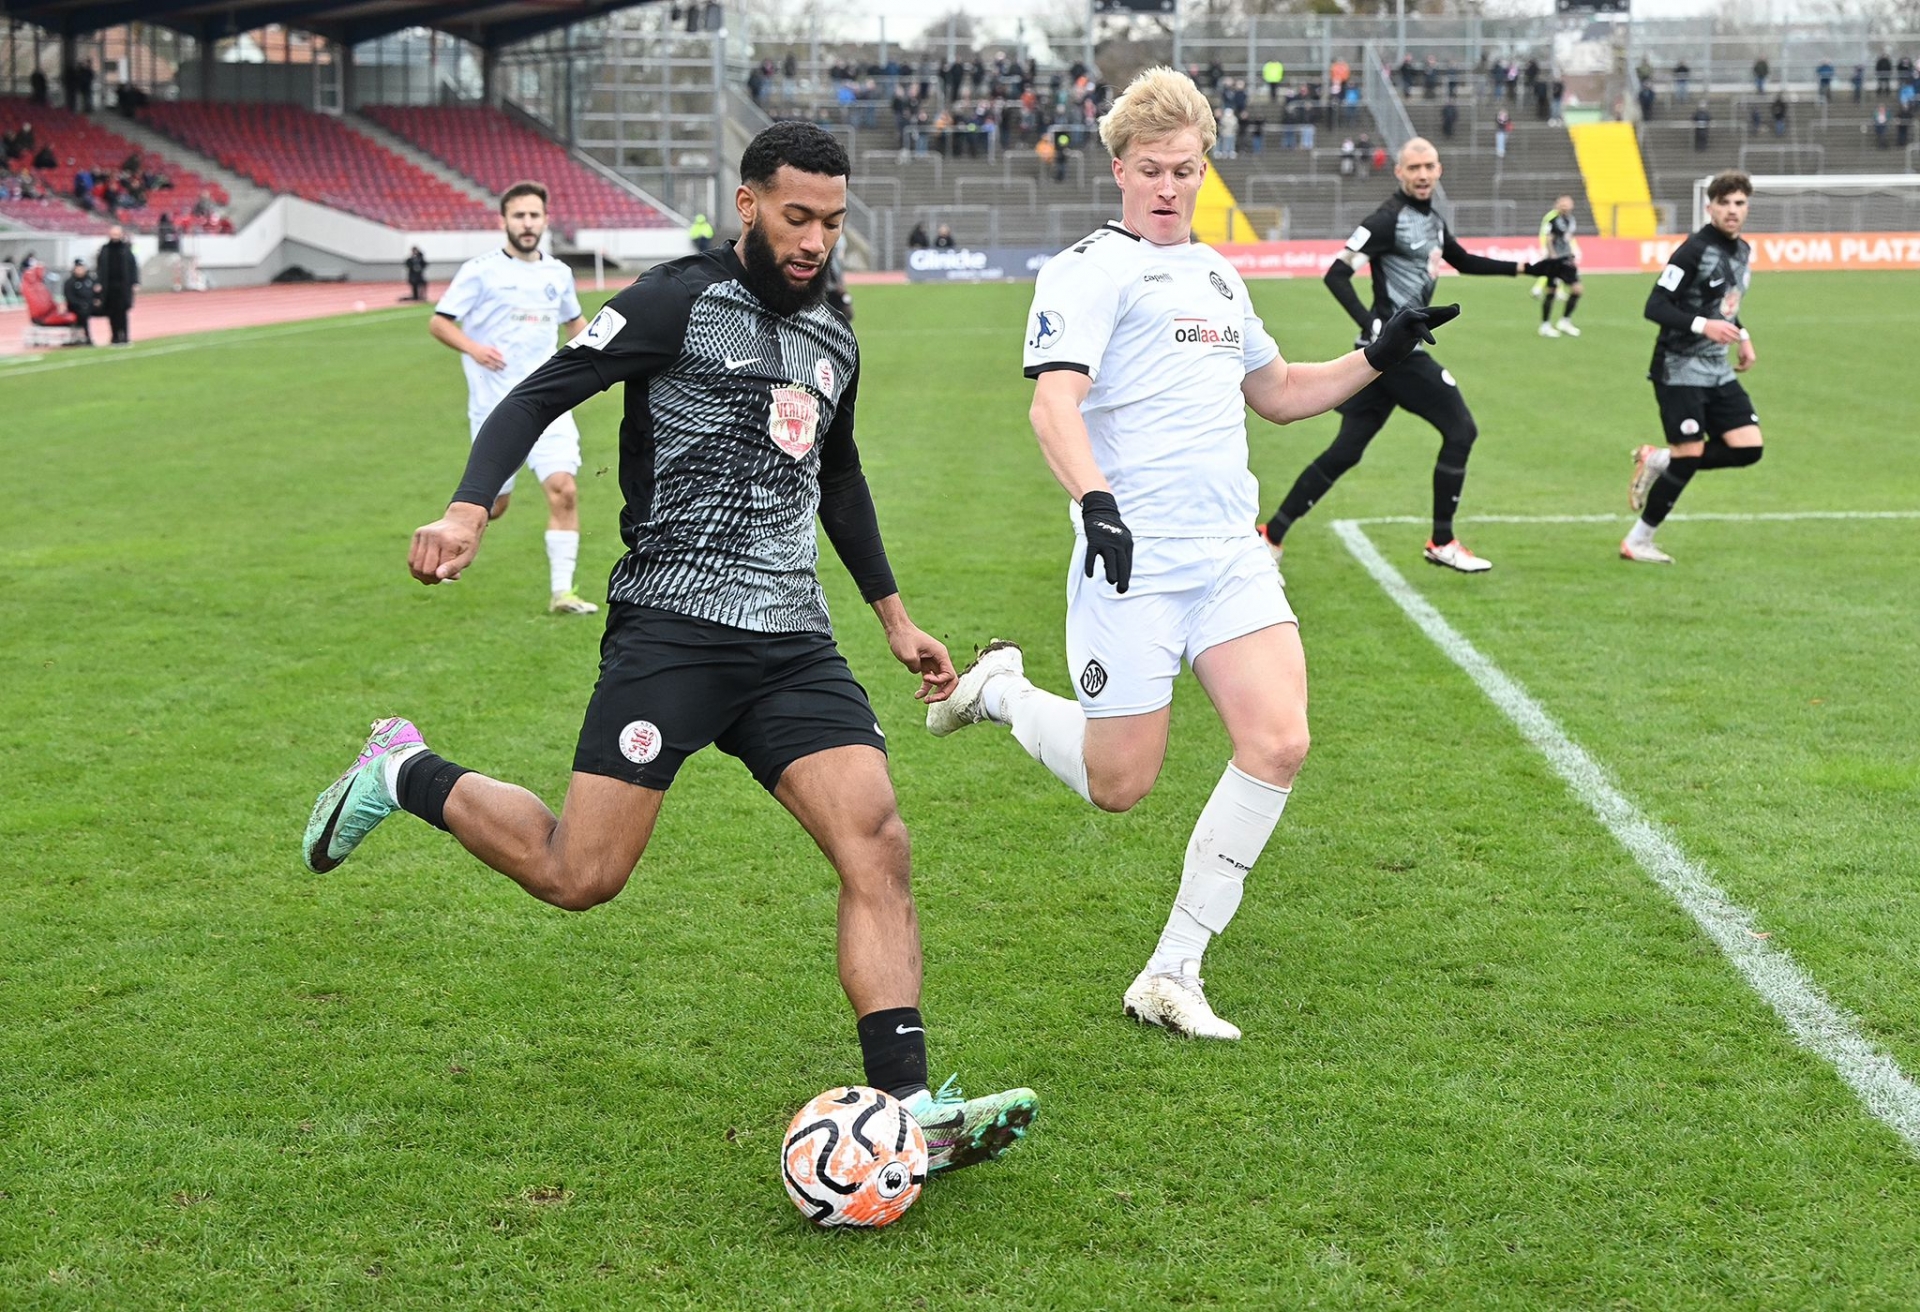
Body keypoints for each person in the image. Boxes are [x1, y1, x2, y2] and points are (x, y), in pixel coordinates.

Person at [302, 122, 1038, 1170]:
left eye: (832, 221)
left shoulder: (837, 330)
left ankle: (906, 1102)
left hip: (793, 641)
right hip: (674, 628)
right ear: (747, 205)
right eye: (796, 217)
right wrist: (469, 509)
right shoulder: (672, 301)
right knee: (580, 873)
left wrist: (893, 616)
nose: (815, 240)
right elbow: (542, 388)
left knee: (876, 840)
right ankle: (403, 770)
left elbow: (839, 474)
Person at [929, 68, 1457, 1041]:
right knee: (1117, 783)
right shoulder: (1090, 270)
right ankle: (1001, 689)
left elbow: (1285, 391)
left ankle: (1172, 972)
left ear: (1205, 169)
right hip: (1131, 559)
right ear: (1120, 171)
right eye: (1151, 170)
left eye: (1186, 169)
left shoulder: (1219, 272)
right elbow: (1054, 403)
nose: (1170, 186)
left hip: (1227, 556)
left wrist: (1383, 351)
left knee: (1280, 741)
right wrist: (1095, 502)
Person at [1261, 138, 1571, 573]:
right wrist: (1374, 326)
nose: (1423, 174)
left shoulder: (1432, 220)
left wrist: (1530, 269)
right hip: (1396, 354)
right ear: (1400, 173)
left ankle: (1270, 536)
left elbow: (1463, 261)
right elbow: (1336, 274)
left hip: (1388, 356)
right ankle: (1441, 541)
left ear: (1439, 169)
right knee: (1461, 430)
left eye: (1429, 166)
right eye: (1414, 167)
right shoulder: (1387, 219)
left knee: (1346, 451)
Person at [429, 182, 596, 615]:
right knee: (493, 505)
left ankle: (563, 593)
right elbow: (440, 322)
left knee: (564, 491)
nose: (527, 224)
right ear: (503, 220)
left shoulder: (557, 273)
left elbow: (575, 323)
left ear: (545, 220)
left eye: (534, 216)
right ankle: (450, 541)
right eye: (519, 216)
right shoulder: (480, 270)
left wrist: (606, 359)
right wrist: (474, 348)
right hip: (497, 410)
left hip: (550, 405)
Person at [1622, 172, 1760, 565]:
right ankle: (1638, 541)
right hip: (1679, 366)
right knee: (1690, 455)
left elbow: (1725, 304)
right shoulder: (1693, 250)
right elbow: (1656, 306)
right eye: (1725, 203)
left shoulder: (1743, 250)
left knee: (1749, 447)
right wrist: (1704, 326)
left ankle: (1658, 459)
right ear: (1710, 206)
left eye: (1739, 203)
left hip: (1717, 367)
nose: (1733, 211)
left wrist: (1742, 335)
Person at [1534, 195, 1584, 338]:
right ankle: (1545, 325)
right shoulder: (1553, 220)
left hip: (1567, 260)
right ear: (1557, 205)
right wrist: (1552, 256)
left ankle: (1565, 321)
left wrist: (1572, 253)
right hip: (1555, 260)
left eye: (1567, 204)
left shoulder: (1571, 220)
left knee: (1577, 290)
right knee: (1551, 292)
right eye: (1562, 204)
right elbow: (1549, 239)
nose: (1565, 206)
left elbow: (1568, 238)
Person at [95, 224, 138, 345]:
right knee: (111, 313)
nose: (115, 236)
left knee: (122, 312)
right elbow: (99, 268)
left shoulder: (126, 249)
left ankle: (124, 336)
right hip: (108, 287)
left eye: (117, 234)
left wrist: (134, 282)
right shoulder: (104, 249)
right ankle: (114, 336)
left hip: (123, 287)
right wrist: (98, 282)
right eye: (113, 234)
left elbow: (133, 266)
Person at [64, 258, 97, 344]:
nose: (80, 270)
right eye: (78, 268)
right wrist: (81, 304)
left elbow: (97, 292)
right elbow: (70, 298)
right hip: (77, 307)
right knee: (83, 313)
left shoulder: (90, 280)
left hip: (91, 305)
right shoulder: (70, 282)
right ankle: (86, 337)